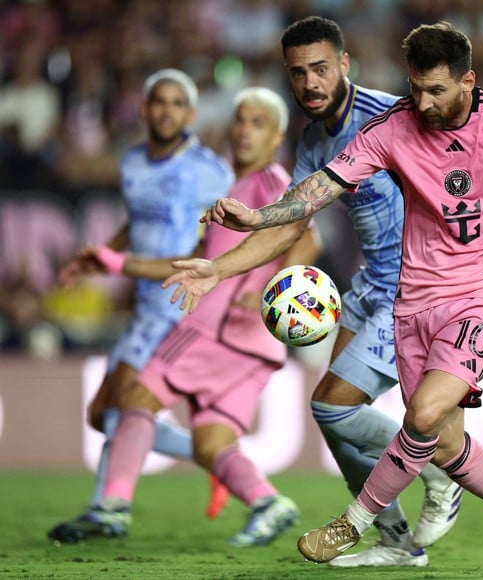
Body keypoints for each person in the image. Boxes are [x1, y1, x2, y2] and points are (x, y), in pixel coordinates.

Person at [199, 20, 483, 575]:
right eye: (415, 88)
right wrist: (257, 216)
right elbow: (321, 187)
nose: (422, 102)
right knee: (444, 445)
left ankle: (351, 523)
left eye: (437, 91)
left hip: (482, 294)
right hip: (411, 303)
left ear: (468, 80)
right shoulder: (392, 127)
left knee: (421, 414)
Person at [49, 87, 321, 546]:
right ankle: (267, 501)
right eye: (239, 120)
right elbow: (188, 261)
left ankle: (111, 508)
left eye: (256, 123)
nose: (243, 130)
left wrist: (261, 290)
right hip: (254, 346)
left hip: (210, 328)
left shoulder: (272, 182)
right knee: (210, 443)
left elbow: (306, 240)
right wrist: (116, 263)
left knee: (135, 399)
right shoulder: (230, 195)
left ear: (277, 137)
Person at [48, 68, 235, 543]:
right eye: (159, 101)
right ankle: (213, 455)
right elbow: (135, 222)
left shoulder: (208, 170)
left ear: (190, 114)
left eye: (177, 103)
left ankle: (107, 509)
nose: (167, 110)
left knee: (127, 405)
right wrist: (98, 258)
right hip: (143, 303)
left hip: (178, 304)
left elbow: (222, 239)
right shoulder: (132, 163)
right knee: (103, 414)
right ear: (145, 109)